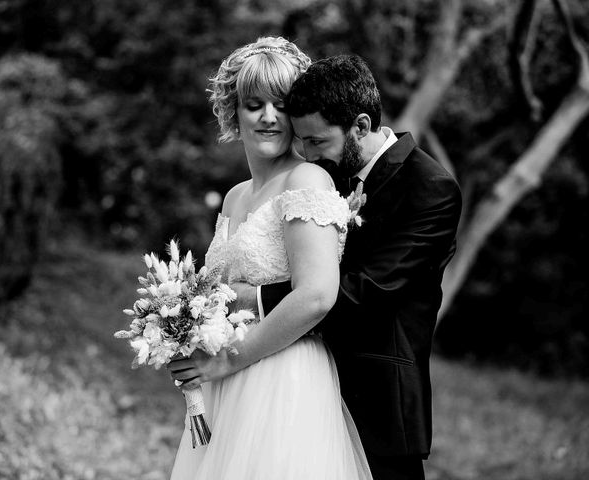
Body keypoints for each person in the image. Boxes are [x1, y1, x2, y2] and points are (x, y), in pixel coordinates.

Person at [173, 54, 462, 480]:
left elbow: (364, 291)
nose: (306, 151)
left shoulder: (429, 188)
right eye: (303, 139)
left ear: (359, 127)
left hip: (375, 396)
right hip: (267, 380)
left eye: (315, 141)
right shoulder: (326, 168)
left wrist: (251, 300)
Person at [168, 38, 373, 480]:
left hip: (284, 378)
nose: (268, 117)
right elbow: (217, 294)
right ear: (233, 111)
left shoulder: (307, 178)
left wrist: (228, 359)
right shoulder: (235, 195)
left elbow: (318, 295)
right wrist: (180, 329)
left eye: (280, 104)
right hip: (228, 387)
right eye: (254, 104)